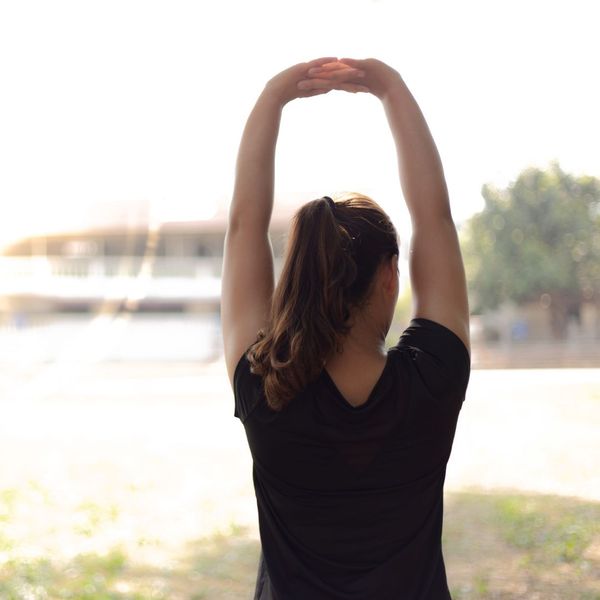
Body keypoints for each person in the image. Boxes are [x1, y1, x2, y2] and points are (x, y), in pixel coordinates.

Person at [221, 57, 471, 600]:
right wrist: (390, 87)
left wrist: (272, 96)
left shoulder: (266, 388)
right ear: (389, 277)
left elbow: (243, 225)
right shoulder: (433, 379)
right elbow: (436, 217)